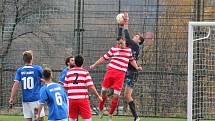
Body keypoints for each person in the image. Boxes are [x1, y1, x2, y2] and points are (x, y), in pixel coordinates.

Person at [90, 34, 142, 121]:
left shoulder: (129, 51)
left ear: (125, 42)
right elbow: (103, 58)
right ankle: (101, 108)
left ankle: (110, 114)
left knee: (116, 96)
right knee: (103, 91)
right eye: (118, 43)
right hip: (110, 72)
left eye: (121, 43)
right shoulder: (113, 49)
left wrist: (137, 67)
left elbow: (132, 60)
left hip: (120, 75)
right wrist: (94, 65)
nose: (120, 45)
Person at [119, 12, 144, 121]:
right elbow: (121, 39)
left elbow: (127, 36)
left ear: (139, 41)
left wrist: (126, 21)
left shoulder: (135, 46)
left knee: (127, 96)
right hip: (127, 72)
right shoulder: (131, 46)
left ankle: (136, 117)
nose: (135, 36)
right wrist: (120, 27)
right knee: (124, 94)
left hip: (132, 73)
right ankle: (136, 117)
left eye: (137, 36)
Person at [9, 50, 45, 121]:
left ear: (23, 60)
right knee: (40, 119)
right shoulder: (37, 69)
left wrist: (11, 98)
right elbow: (45, 80)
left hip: (25, 100)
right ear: (32, 59)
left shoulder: (20, 70)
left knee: (28, 119)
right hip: (36, 99)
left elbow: (15, 85)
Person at [64, 55, 102, 121]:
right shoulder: (85, 72)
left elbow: (66, 87)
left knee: (72, 118)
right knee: (87, 119)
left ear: (75, 63)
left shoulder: (69, 72)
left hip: (71, 99)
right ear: (83, 62)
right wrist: (98, 96)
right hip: (82, 99)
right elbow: (91, 87)